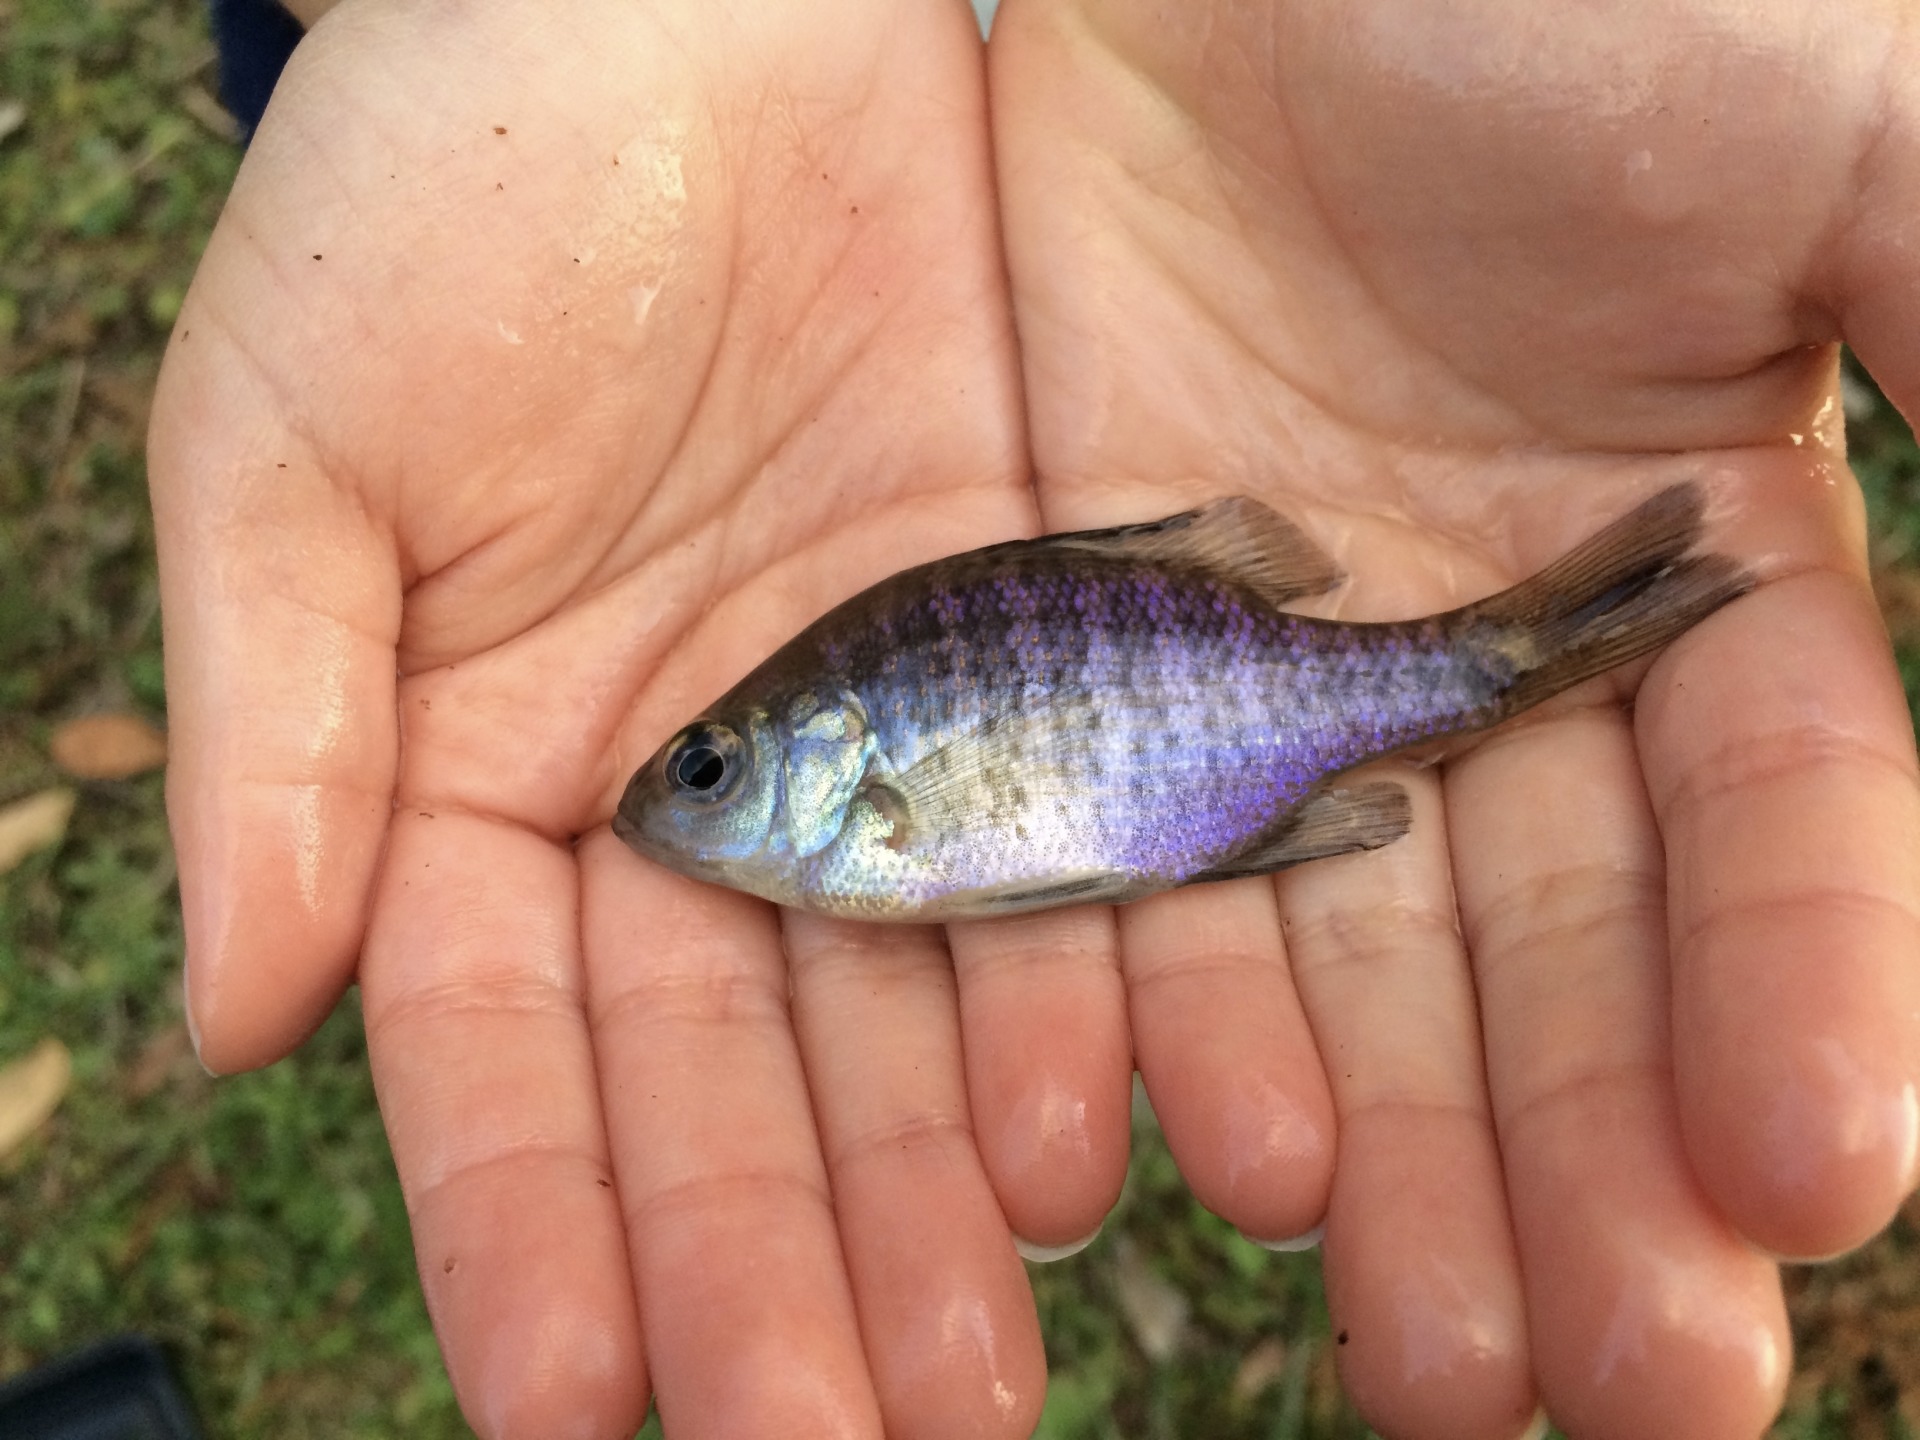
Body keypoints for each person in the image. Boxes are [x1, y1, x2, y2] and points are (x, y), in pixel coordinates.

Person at [150, 1, 1920, 1437]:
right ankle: (1516, 655)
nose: (681, 796)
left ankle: (1521, 652)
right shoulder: (859, 823)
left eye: (715, 769)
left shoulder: (870, 830)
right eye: (700, 767)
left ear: (820, 758)